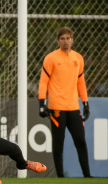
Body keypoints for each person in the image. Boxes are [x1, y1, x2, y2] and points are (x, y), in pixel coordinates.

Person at [38, 27, 91, 178]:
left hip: (74, 107)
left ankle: (87, 176)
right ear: (58, 41)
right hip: (56, 108)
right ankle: (60, 177)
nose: (65, 41)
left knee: (80, 140)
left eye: (68, 38)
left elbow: (81, 83)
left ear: (72, 40)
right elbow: (43, 82)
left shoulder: (78, 58)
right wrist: (42, 104)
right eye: (62, 39)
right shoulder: (51, 58)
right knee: (58, 143)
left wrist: (85, 103)